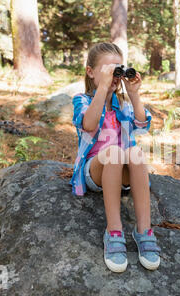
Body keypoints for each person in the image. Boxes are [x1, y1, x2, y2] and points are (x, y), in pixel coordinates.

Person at [69, 42, 160, 273]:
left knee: (136, 152)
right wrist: (102, 90)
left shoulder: (124, 104)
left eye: (118, 70)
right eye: (109, 70)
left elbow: (142, 125)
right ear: (90, 72)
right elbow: (88, 124)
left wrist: (133, 93)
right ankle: (114, 230)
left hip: (122, 172)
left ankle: (144, 230)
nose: (115, 76)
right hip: (96, 171)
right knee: (114, 152)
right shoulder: (82, 100)